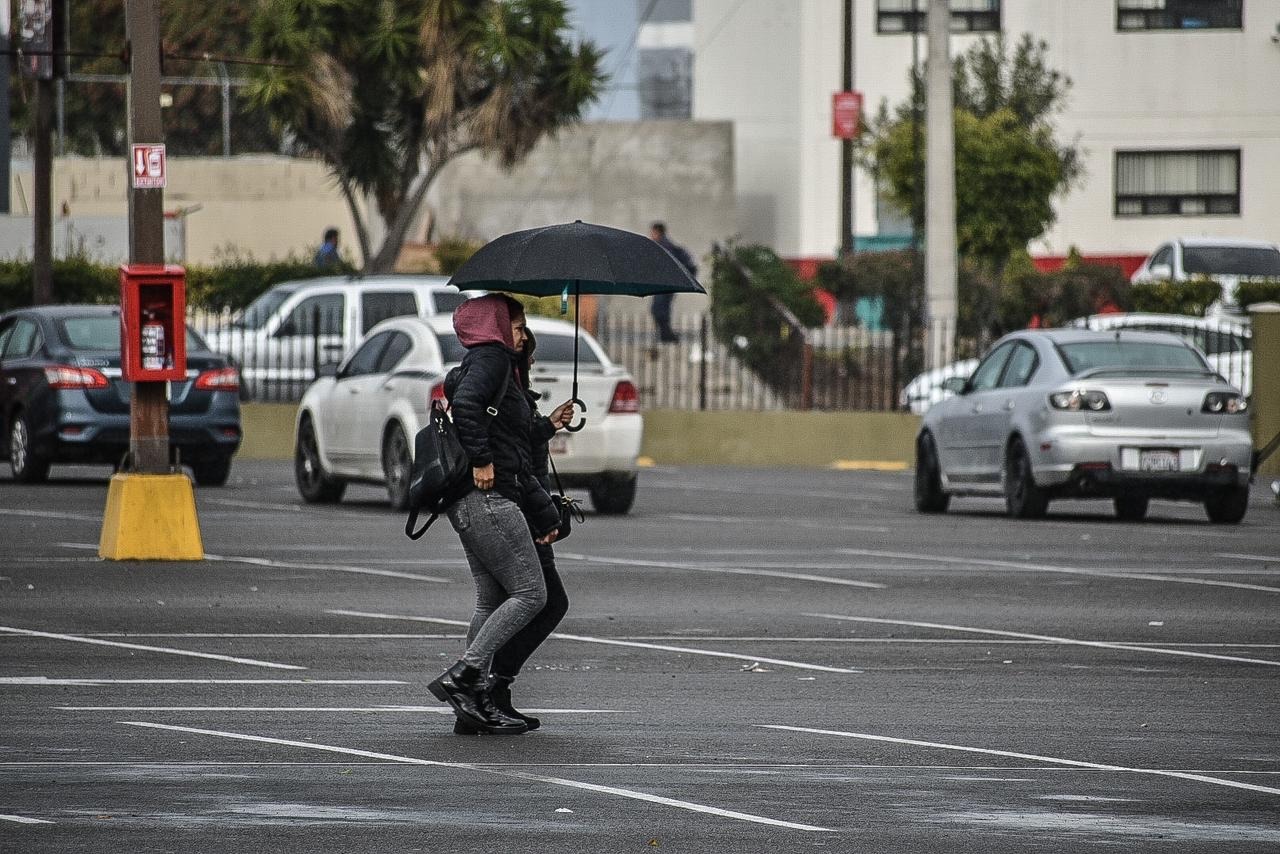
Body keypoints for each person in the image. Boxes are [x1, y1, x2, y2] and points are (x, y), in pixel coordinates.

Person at [427, 294, 572, 735]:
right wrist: (482, 459)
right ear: (495, 324)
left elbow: (510, 431)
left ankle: (471, 707)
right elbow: (469, 407)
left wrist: (547, 424)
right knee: (532, 593)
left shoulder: (494, 363)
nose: (522, 333)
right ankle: (467, 678)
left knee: (492, 601)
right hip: (488, 497)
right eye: (517, 324)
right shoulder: (490, 358)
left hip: (475, 501)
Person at [649, 222, 697, 344]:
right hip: (665, 283)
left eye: (653, 232)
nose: (651, 235)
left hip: (665, 284)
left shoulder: (664, 245)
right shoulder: (664, 244)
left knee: (659, 309)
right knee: (659, 309)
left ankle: (667, 335)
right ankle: (665, 334)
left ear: (658, 232)